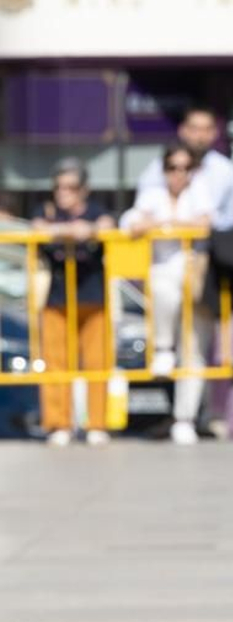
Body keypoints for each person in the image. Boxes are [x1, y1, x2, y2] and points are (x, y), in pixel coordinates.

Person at [121, 143, 216, 445]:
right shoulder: (152, 195)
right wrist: (170, 224)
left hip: (197, 276)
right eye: (172, 168)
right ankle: (163, 347)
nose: (179, 174)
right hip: (165, 276)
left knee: (195, 350)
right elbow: (130, 223)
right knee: (164, 290)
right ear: (164, 171)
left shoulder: (199, 191)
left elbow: (206, 223)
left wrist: (163, 224)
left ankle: (185, 418)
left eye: (185, 168)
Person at [31, 159, 117, 446]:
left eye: (71, 187)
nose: (64, 193)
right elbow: (37, 227)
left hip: (92, 295)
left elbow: (108, 223)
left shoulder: (96, 210)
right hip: (57, 297)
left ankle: (96, 423)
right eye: (59, 187)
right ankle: (59, 423)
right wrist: (67, 230)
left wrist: (89, 228)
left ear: (84, 189)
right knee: (56, 363)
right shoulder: (46, 211)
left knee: (97, 362)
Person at [135, 106, 233, 231]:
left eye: (206, 129)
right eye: (195, 129)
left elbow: (230, 217)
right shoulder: (160, 166)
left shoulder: (226, 170)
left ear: (215, 132)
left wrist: (205, 223)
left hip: (210, 244)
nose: (200, 136)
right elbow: (141, 212)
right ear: (182, 130)